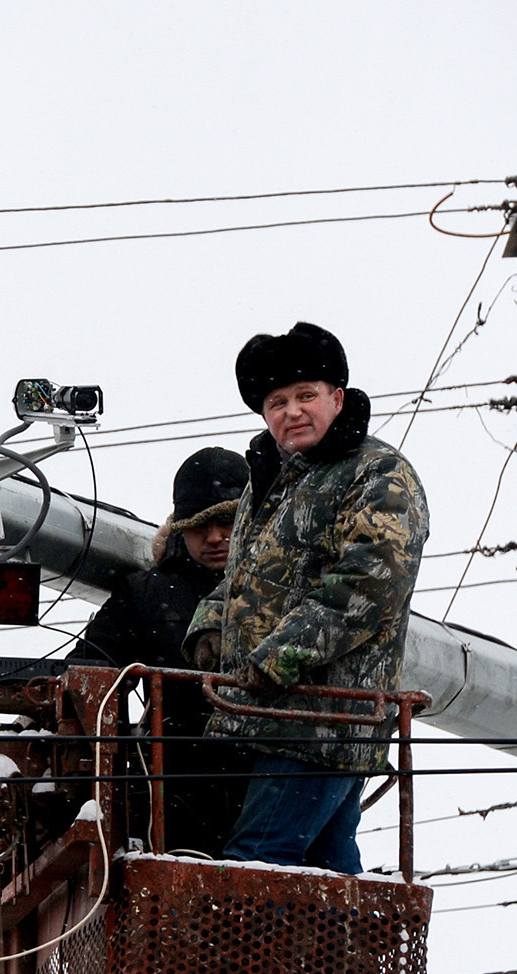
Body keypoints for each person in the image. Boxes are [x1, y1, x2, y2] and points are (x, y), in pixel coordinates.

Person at [185, 322, 428, 874]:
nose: (292, 412)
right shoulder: (270, 483)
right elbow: (243, 577)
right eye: (277, 402)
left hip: (323, 719)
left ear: (336, 400)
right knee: (324, 868)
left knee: (258, 863)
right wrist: (210, 628)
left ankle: (261, 963)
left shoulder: (378, 473)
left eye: (305, 396)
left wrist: (278, 656)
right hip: (280, 717)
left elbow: (368, 586)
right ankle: (347, 961)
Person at [67, 447, 251, 856]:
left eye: (227, 522)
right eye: (200, 525)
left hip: (268, 778)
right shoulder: (145, 593)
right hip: (173, 787)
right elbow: (89, 670)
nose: (216, 536)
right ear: (180, 528)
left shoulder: (280, 589)